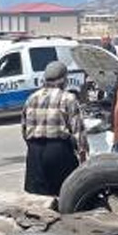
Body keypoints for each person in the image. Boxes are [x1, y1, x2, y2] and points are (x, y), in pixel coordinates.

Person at [20, 61, 86, 196]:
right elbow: (78, 130)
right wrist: (83, 155)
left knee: (39, 196)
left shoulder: (32, 98)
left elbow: (24, 129)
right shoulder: (68, 98)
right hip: (58, 151)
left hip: (35, 151)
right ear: (64, 79)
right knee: (65, 193)